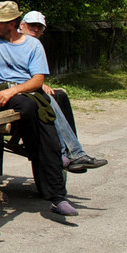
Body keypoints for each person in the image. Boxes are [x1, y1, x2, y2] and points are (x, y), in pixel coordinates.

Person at [0, 0, 78, 217]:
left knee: (48, 130)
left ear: (12, 23)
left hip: (25, 92)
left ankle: (58, 197)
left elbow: (38, 79)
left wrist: (14, 91)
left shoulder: (33, 45)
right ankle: (36, 149)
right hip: (0, 94)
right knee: (29, 107)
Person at [20, 10, 107, 172]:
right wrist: (36, 84)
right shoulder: (15, 42)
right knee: (48, 100)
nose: (35, 29)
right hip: (17, 90)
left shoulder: (32, 44)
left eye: (39, 27)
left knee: (60, 96)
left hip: (27, 87)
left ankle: (69, 151)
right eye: (32, 25)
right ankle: (70, 152)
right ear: (22, 25)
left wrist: (39, 83)